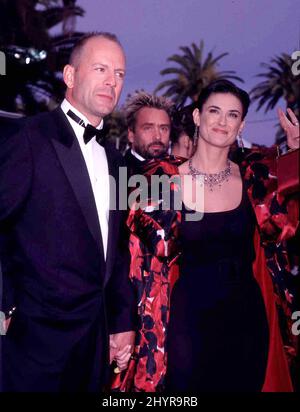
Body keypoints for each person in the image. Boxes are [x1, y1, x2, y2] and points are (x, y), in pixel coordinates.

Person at [118, 80, 299, 392]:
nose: (222, 121)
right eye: (214, 111)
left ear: (241, 124)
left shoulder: (256, 179)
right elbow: (132, 258)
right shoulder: (161, 180)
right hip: (188, 323)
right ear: (198, 117)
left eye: (233, 115)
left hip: (246, 319)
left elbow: (290, 213)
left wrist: (296, 153)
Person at [0, 32, 136, 392]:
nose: (112, 81)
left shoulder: (116, 160)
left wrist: (122, 321)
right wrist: (6, 307)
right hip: (34, 343)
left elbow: (116, 250)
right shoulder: (29, 138)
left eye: (120, 74)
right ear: (71, 76)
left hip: (94, 344)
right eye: (101, 68)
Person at [123, 92, 174, 175]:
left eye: (163, 129)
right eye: (148, 128)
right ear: (131, 135)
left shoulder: (179, 173)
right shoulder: (114, 173)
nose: (157, 137)